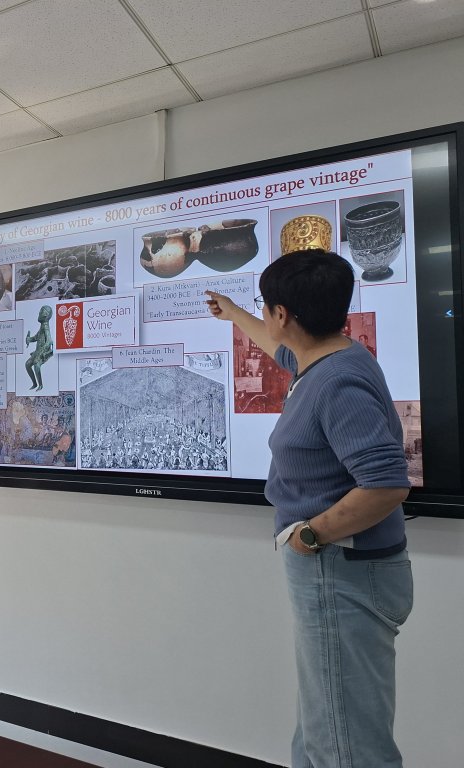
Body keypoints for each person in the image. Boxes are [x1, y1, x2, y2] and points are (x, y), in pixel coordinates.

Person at [205, 249, 412, 768]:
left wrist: (311, 534)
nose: (267, 318)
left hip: (339, 568)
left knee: (344, 743)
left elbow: (386, 485)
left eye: (266, 308)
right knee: (326, 723)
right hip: (343, 569)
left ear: (283, 314)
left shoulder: (335, 382)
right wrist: (234, 313)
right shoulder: (334, 355)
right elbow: (280, 348)